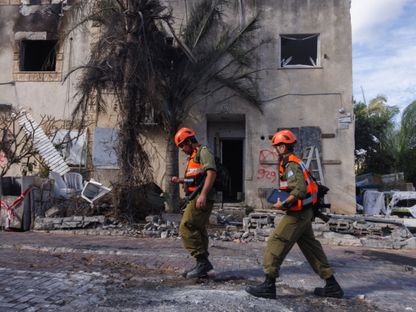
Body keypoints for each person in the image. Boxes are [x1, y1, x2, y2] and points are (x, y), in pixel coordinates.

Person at [245, 129, 343, 299]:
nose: (276, 150)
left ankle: (269, 285)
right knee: (311, 248)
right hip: (304, 213)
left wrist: (283, 202)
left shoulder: (291, 164)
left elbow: (299, 189)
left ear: (283, 147)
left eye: (277, 147)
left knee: (276, 241)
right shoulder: (295, 162)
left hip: (297, 214)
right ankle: (332, 285)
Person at [172, 127, 217, 278]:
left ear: (190, 141)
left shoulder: (203, 152)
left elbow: (211, 173)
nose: (182, 150)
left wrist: (203, 195)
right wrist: (181, 181)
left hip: (201, 197)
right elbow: (197, 178)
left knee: (186, 226)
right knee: (198, 228)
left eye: (182, 146)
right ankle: (202, 265)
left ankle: (202, 262)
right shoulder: (193, 156)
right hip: (195, 196)